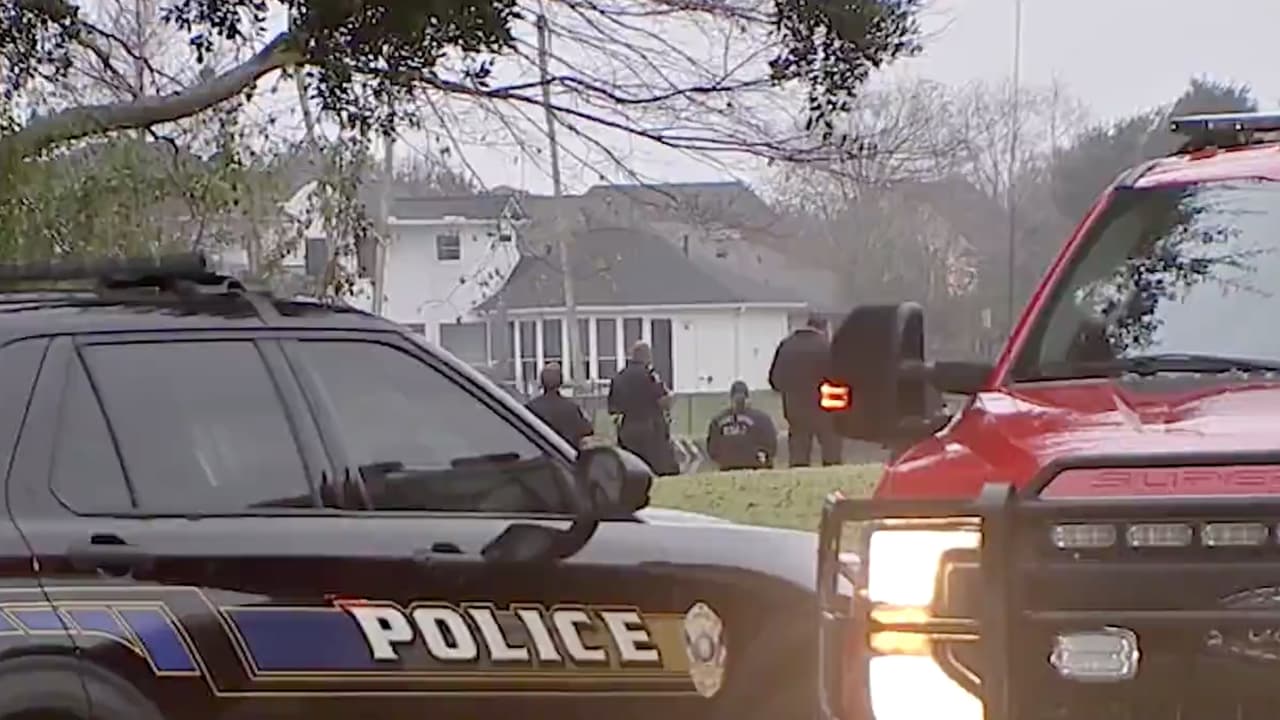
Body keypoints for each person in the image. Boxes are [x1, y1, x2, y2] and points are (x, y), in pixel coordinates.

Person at [768, 314, 842, 467]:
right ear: (823, 328)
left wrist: (791, 391)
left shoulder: (786, 346)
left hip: (795, 410)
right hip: (824, 409)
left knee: (798, 453)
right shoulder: (826, 347)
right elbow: (837, 379)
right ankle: (832, 477)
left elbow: (775, 381)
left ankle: (798, 478)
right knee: (831, 450)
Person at [608, 341, 680, 475]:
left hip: (627, 430)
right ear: (646, 356)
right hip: (650, 429)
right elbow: (662, 401)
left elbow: (613, 410)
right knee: (659, 469)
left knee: (631, 469)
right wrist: (671, 397)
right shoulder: (650, 376)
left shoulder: (618, 378)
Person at [706, 380, 778, 471]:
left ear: (731, 399)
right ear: (748, 399)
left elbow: (712, 449)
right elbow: (771, 447)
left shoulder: (718, 421)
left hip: (727, 468)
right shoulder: (762, 419)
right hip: (755, 466)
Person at [524, 362, 593, 448]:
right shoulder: (571, 408)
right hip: (566, 455)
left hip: (537, 455)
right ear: (561, 382)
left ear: (542, 382)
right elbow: (587, 430)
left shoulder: (530, 408)